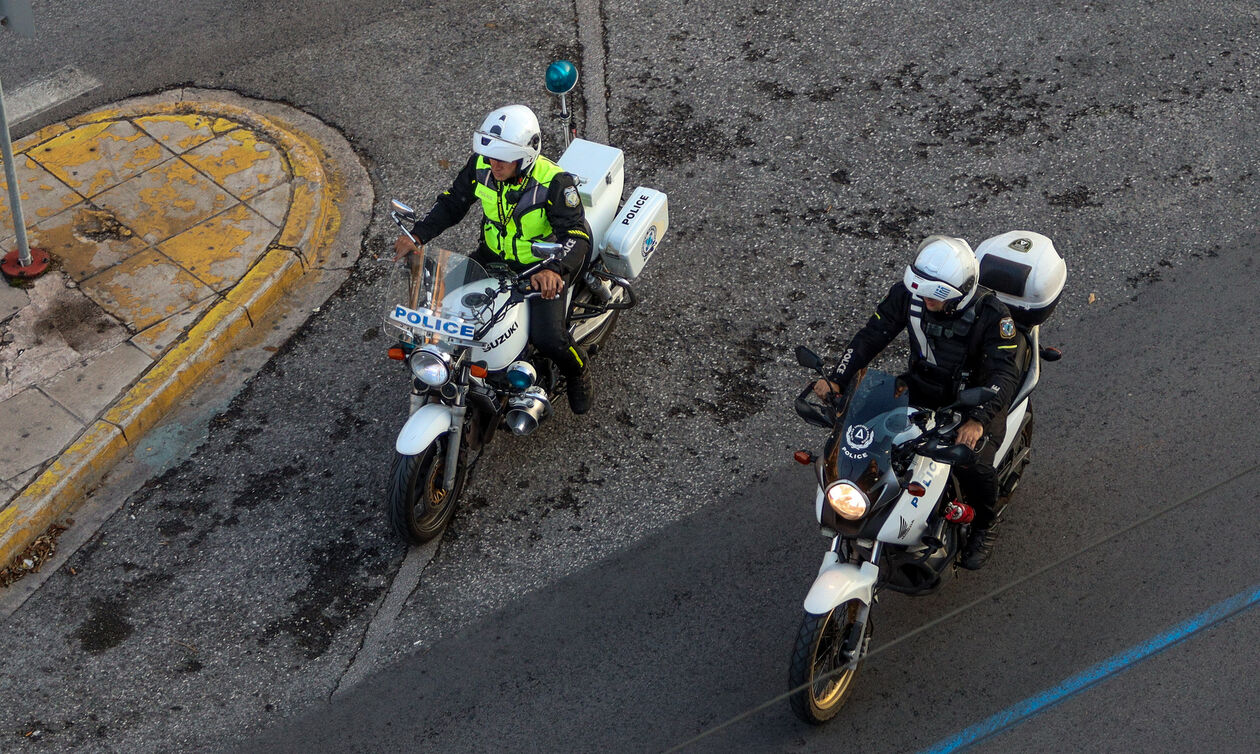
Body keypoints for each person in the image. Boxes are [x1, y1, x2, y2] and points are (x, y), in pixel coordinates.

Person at [812, 236, 1021, 569]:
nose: (924, 300)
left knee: (973, 462)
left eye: (933, 296)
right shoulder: (909, 296)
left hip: (973, 401)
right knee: (868, 435)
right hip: (920, 387)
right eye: (921, 291)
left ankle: (985, 523)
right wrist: (838, 377)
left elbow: (1004, 375)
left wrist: (978, 420)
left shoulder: (994, 317)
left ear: (958, 293)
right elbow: (871, 336)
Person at [393, 104, 595, 413]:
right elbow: (453, 203)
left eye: (502, 159)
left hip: (539, 266)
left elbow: (576, 236)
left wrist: (554, 268)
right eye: (489, 156)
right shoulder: (482, 166)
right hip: (491, 258)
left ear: (526, 156)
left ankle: (577, 372)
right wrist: (417, 235)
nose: (493, 165)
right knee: (440, 310)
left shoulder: (555, 183)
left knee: (549, 338)